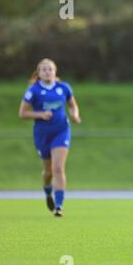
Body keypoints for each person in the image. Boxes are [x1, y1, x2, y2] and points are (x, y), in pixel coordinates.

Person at [18, 58, 81, 217]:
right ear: (38, 73)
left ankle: (59, 206)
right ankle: (47, 191)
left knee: (58, 168)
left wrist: (75, 114)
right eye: (44, 70)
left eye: (50, 69)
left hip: (61, 131)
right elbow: (22, 113)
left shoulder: (63, 88)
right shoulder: (33, 90)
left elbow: (72, 104)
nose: (48, 72)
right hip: (42, 134)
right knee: (48, 172)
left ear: (55, 72)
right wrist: (40, 114)